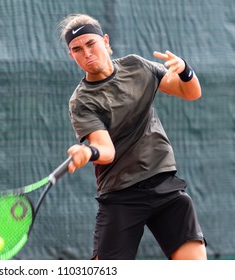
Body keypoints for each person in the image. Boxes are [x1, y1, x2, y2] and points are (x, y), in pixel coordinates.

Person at [58, 14, 207, 260]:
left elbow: (190, 93)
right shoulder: (82, 101)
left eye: (91, 43)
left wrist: (185, 71)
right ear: (71, 55)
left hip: (164, 186)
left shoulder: (137, 66)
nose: (86, 53)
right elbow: (106, 151)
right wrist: (89, 152)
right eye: (77, 49)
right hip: (121, 195)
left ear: (105, 41)